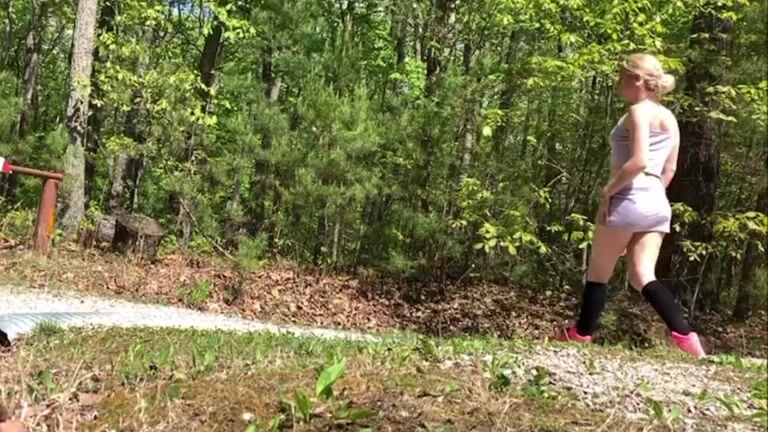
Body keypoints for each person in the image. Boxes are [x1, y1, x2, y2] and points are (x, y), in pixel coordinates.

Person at [556, 53, 706, 358]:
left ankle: (581, 334)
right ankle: (687, 338)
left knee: (599, 272)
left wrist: (608, 191)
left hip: (628, 195)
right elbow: (669, 169)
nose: (618, 83)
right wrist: (650, 197)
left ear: (636, 79)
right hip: (656, 199)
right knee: (642, 276)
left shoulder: (638, 112)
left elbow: (638, 161)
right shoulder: (670, 118)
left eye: (622, 77)